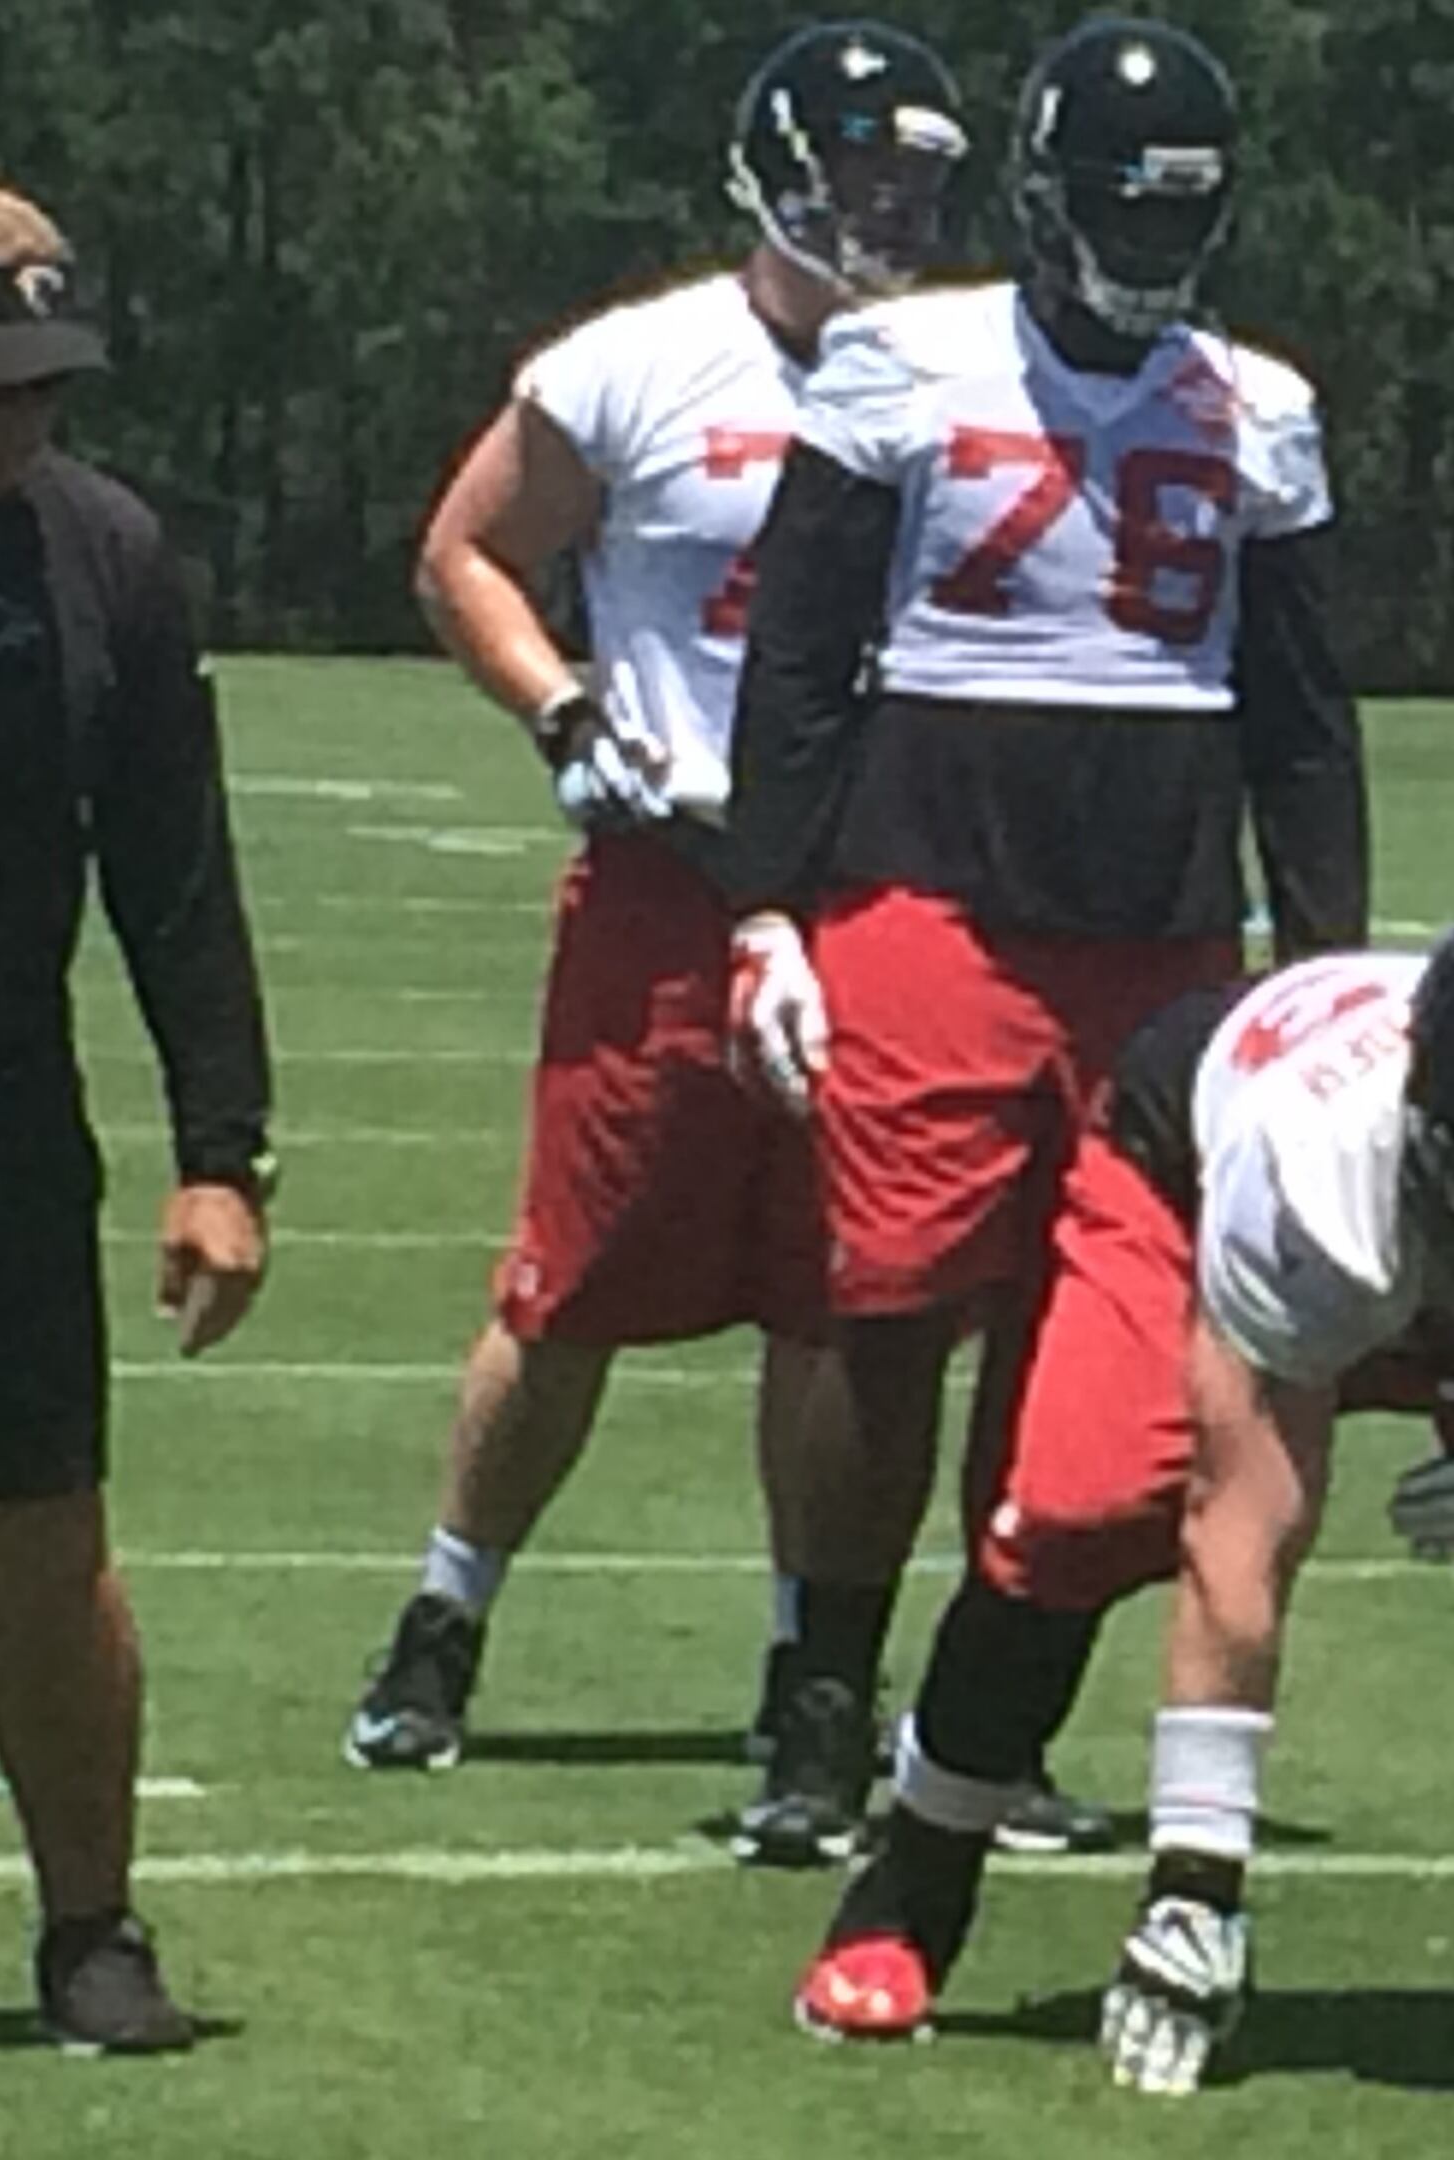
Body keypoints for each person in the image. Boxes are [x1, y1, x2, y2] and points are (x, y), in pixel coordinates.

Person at [339, 18, 1038, 1833]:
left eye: (914, 179)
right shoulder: (643, 363)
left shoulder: (965, 367)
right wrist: (568, 712)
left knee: (850, 1299)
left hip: (884, 882)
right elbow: (462, 552)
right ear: (773, 167)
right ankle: (444, 1614)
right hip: (678, 868)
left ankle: (816, 1680)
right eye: (858, 169)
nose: (887, 206)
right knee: (574, 1276)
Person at [708, 12, 1364, 1866]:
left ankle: (989, 1721)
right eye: (1123, 215)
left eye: (1181, 221)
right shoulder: (905, 363)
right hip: (933, 885)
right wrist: (772, 901)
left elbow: (1305, 715)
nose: (1150, 257)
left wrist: (1322, 952)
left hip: (1161, 919)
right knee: (890, 1305)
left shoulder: (1263, 406)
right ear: (1047, 195)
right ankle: (821, 1707)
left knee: (1103, 1333)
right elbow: (804, 657)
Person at [794, 911, 1454, 2081]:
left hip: (1424, 1219)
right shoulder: (1314, 1180)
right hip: (1183, 1175)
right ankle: (909, 1889)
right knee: (1083, 1508)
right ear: (1429, 1131)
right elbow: (1245, 1537)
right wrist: (1196, 1882)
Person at [0, 185, 272, 2051]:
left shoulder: (101, 554)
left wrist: (219, 1151)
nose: (24, 424)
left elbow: (173, 867)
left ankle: (92, 1930)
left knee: (36, 1532)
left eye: (48, 387)